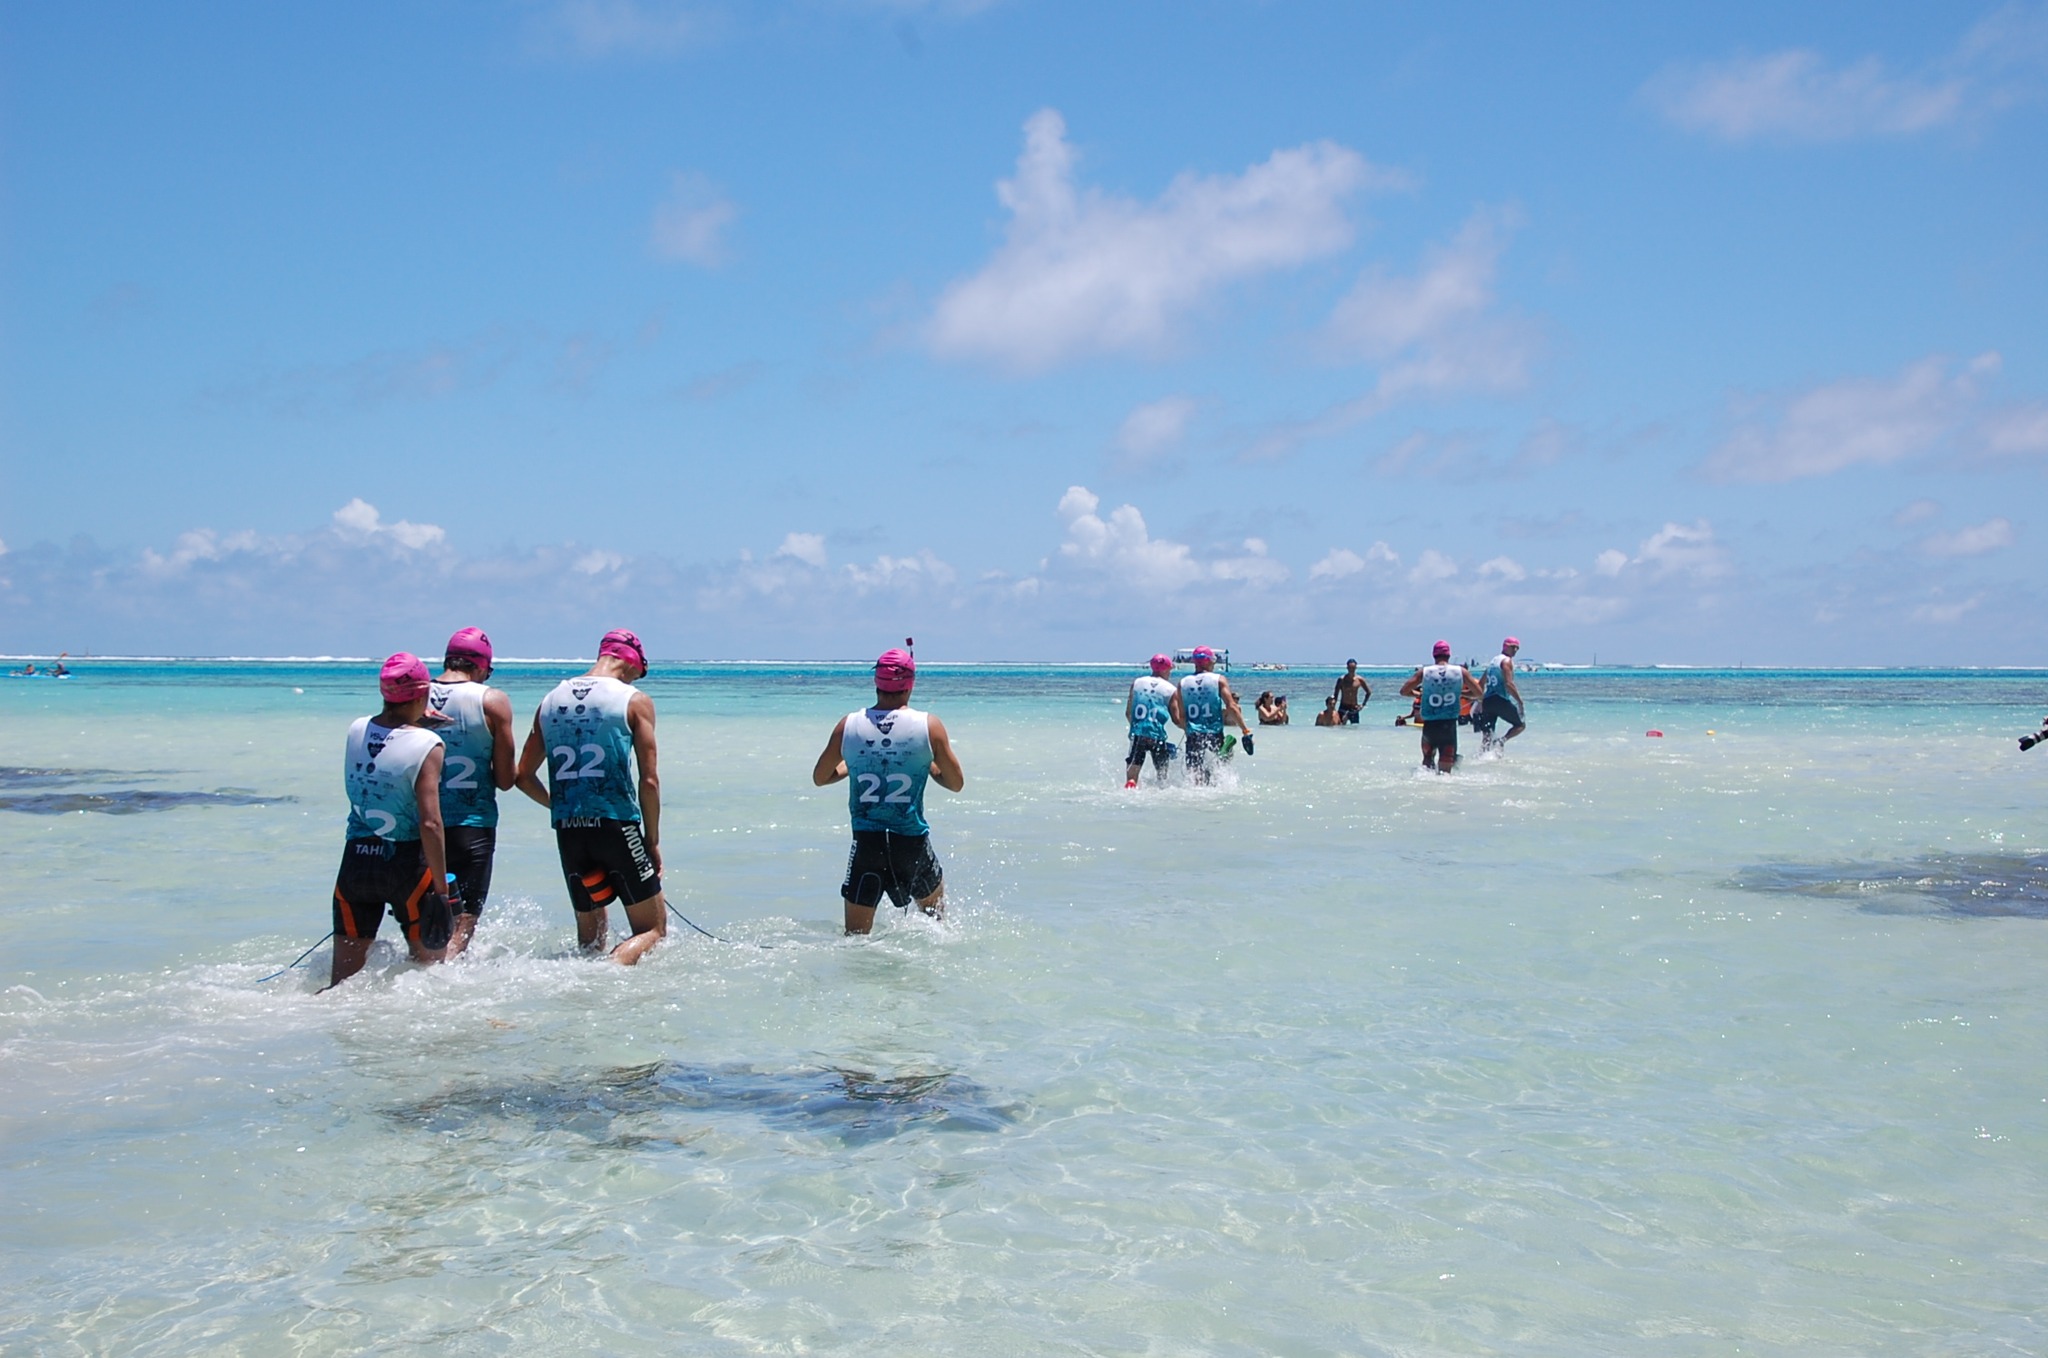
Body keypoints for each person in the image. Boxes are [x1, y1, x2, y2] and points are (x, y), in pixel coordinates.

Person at [514, 629, 667, 965]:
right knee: (652, 930)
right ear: (630, 664)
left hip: (569, 831)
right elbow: (650, 780)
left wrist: (561, 806)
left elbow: (522, 776)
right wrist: (651, 842)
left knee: (590, 939)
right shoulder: (633, 700)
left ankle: (583, 1000)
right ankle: (608, 980)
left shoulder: (550, 700)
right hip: (616, 826)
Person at [811, 647, 965, 934]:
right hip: (911, 845)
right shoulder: (929, 726)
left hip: (866, 845)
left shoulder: (849, 725)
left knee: (855, 942)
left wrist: (852, 767)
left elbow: (821, 777)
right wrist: (929, 766)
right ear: (910, 684)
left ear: (876, 683)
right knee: (940, 930)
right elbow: (956, 783)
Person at [326, 653, 454, 989]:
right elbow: (430, 823)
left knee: (341, 986)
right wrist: (441, 892)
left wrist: (413, 723)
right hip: (407, 867)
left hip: (355, 866)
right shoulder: (429, 743)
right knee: (431, 979)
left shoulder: (357, 728)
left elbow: (386, 748)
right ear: (423, 695)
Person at [425, 627, 516, 956]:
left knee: (424, 920)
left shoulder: (414, 695)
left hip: (420, 823)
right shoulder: (492, 701)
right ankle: (444, 989)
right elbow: (506, 780)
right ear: (480, 667)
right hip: (471, 824)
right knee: (462, 924)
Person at [1398, 640, 1483, 773]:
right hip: (1448, 725)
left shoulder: (1424, 672)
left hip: (1430, 725)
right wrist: (1460, 693)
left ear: (1434, 655)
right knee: (1445, 771)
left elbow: (1404, 691)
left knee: (1427, 761)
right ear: (1449, 655)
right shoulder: (1460, 672)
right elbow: (1478, 693)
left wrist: (1420, 693)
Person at [1175, 646, 1252, 784]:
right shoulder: (1218, 679)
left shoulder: (1183, 683)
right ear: (1209, 662)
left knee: (1195, 777)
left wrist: (1188, 731)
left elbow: (1181, 716)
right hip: (1214, 732)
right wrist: (1245, 730)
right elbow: (1231, 706)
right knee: (1222, 765)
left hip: (1193, 735)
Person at [1123, 654, 1183, 787]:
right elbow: (1176, 720)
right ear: (1166, 670)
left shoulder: (1137, 683)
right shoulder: (1171, 690)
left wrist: (1135, 729)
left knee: (1132, 776)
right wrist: (1188, 728)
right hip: (1157, 736)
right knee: (1162, 777)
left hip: (1138, 734)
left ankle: (1131, 787)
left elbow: (1128, 713)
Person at [1473, 636, 1528, 752]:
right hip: (1499, 700)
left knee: (1487, 736)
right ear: (1505, 646)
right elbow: (1509, 684)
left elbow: (1481, 683)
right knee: (1520, 725)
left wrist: (1479, 701)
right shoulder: (1507, 661)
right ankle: (1502, 741)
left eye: (1517, 648)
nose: (1515, 650)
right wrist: (1520, 701)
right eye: (1513, 647)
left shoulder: (1493, 662)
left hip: (1488, 701)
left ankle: (1482, 759)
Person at [1333, 659, 1371, 723]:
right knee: (1340, 727)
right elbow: (1335, 695)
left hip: (1354, 707)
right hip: (1343, 707)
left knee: (1355, 728)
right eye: (1350, 668)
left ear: (1356, 668)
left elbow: (1368, 692)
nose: (1351, 669)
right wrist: (1333, 708)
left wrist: (1363, 704)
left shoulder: (1359, 680)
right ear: (1347, 668)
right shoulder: (1342, 679)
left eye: (1353, 668)